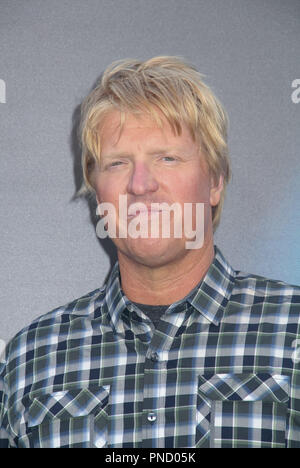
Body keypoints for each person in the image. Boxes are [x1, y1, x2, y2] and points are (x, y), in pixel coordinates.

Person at [1, 56, 299, 449]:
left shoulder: (292, 333)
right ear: (96, 192)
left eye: (168, 158)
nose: (141, 185)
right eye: (118, 163)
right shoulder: (30, 359)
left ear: (215, 182)